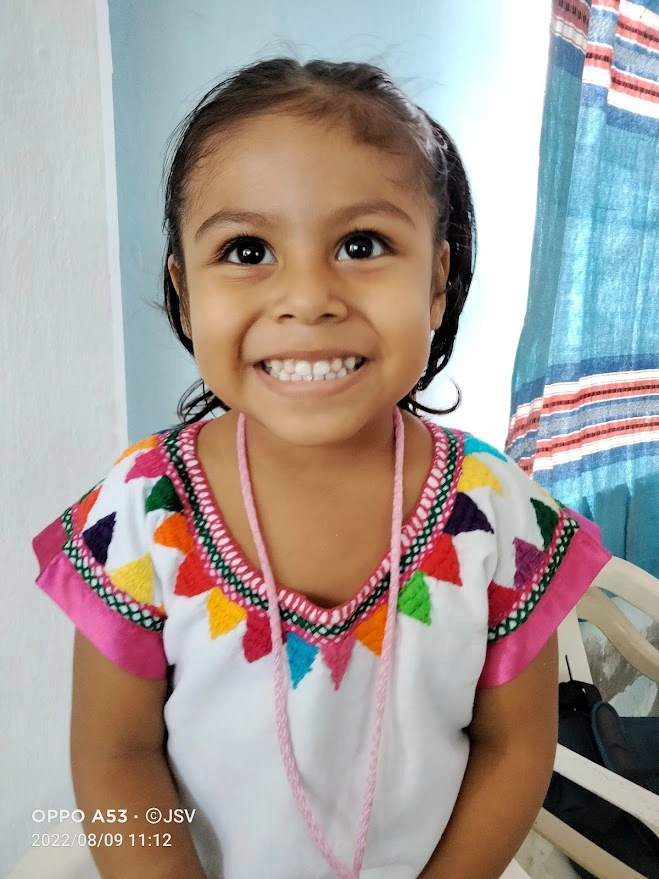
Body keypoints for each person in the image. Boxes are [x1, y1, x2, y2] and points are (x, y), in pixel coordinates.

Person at [32, 58, 612, 879]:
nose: (307, 298)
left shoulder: (494, 512)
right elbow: (115, 754)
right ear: (184, 293)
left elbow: (513, 746)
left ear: (437, 281)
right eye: (247, 250)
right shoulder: (141, 508)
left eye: (360, 244)